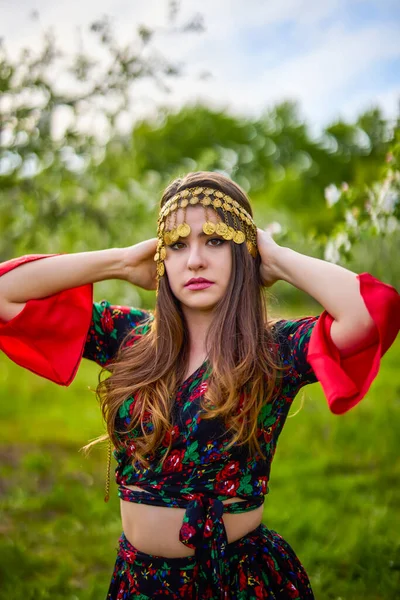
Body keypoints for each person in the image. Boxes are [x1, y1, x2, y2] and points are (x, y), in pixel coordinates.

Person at [0, 171, 399, 600]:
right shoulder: (129, 337)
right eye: (176, 244)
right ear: (161, 259)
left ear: (243, 252)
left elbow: (372, 314)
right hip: (140, 582)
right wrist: (117, 262)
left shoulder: (273, 350)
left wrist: (278, 259)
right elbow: (7, 296)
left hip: (236, 581)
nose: (194, 260)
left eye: (215, 240)